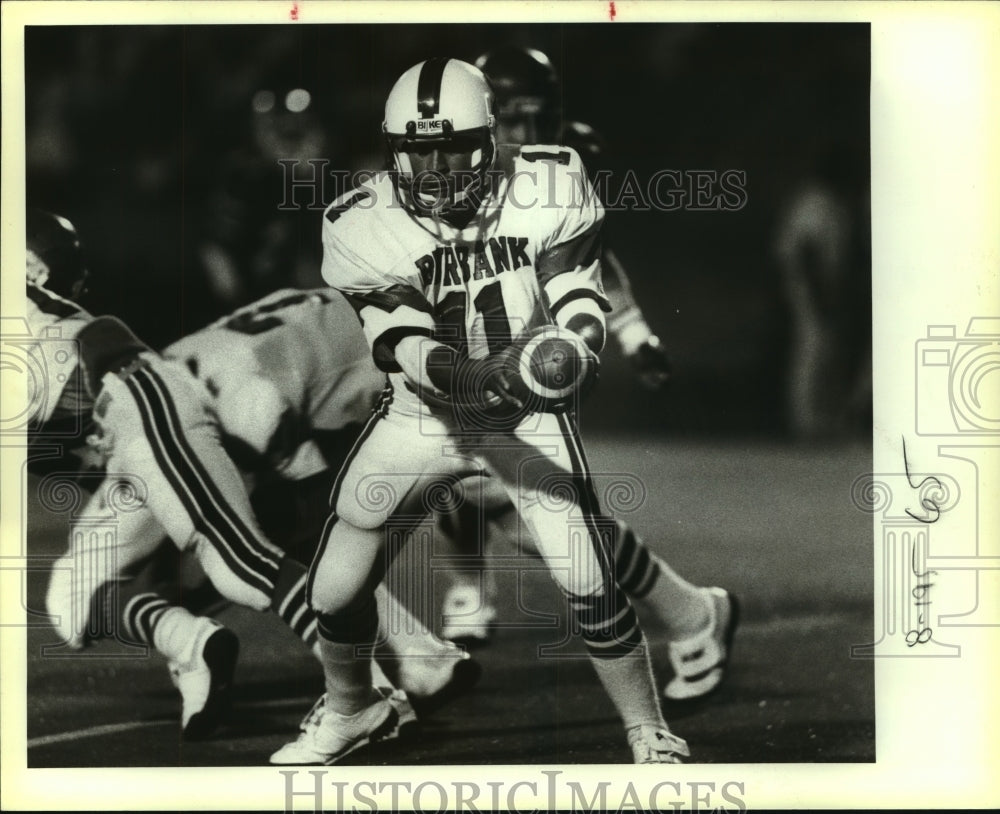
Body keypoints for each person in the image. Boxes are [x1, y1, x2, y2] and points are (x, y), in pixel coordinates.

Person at [271, 58, 690, 765]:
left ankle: (649, 731)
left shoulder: (548, 180)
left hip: (523, 414)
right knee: (334, 586)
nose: (434, 169)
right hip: (422, 415)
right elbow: (403, 341)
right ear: (392, 149)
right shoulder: (360, 220)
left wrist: (575, 347)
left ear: (490, 139)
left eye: (452, 148)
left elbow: (578, 289)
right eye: (418, 151)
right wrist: (472, 374)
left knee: (587, 576)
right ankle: (353, 709)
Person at [28, 211, 463, 743]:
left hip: (170, 408)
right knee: (264, 549)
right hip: (179, 411)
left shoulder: (316, 344)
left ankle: (376, 684)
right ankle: (410, 659)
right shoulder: (356, 327)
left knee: (256, 555)